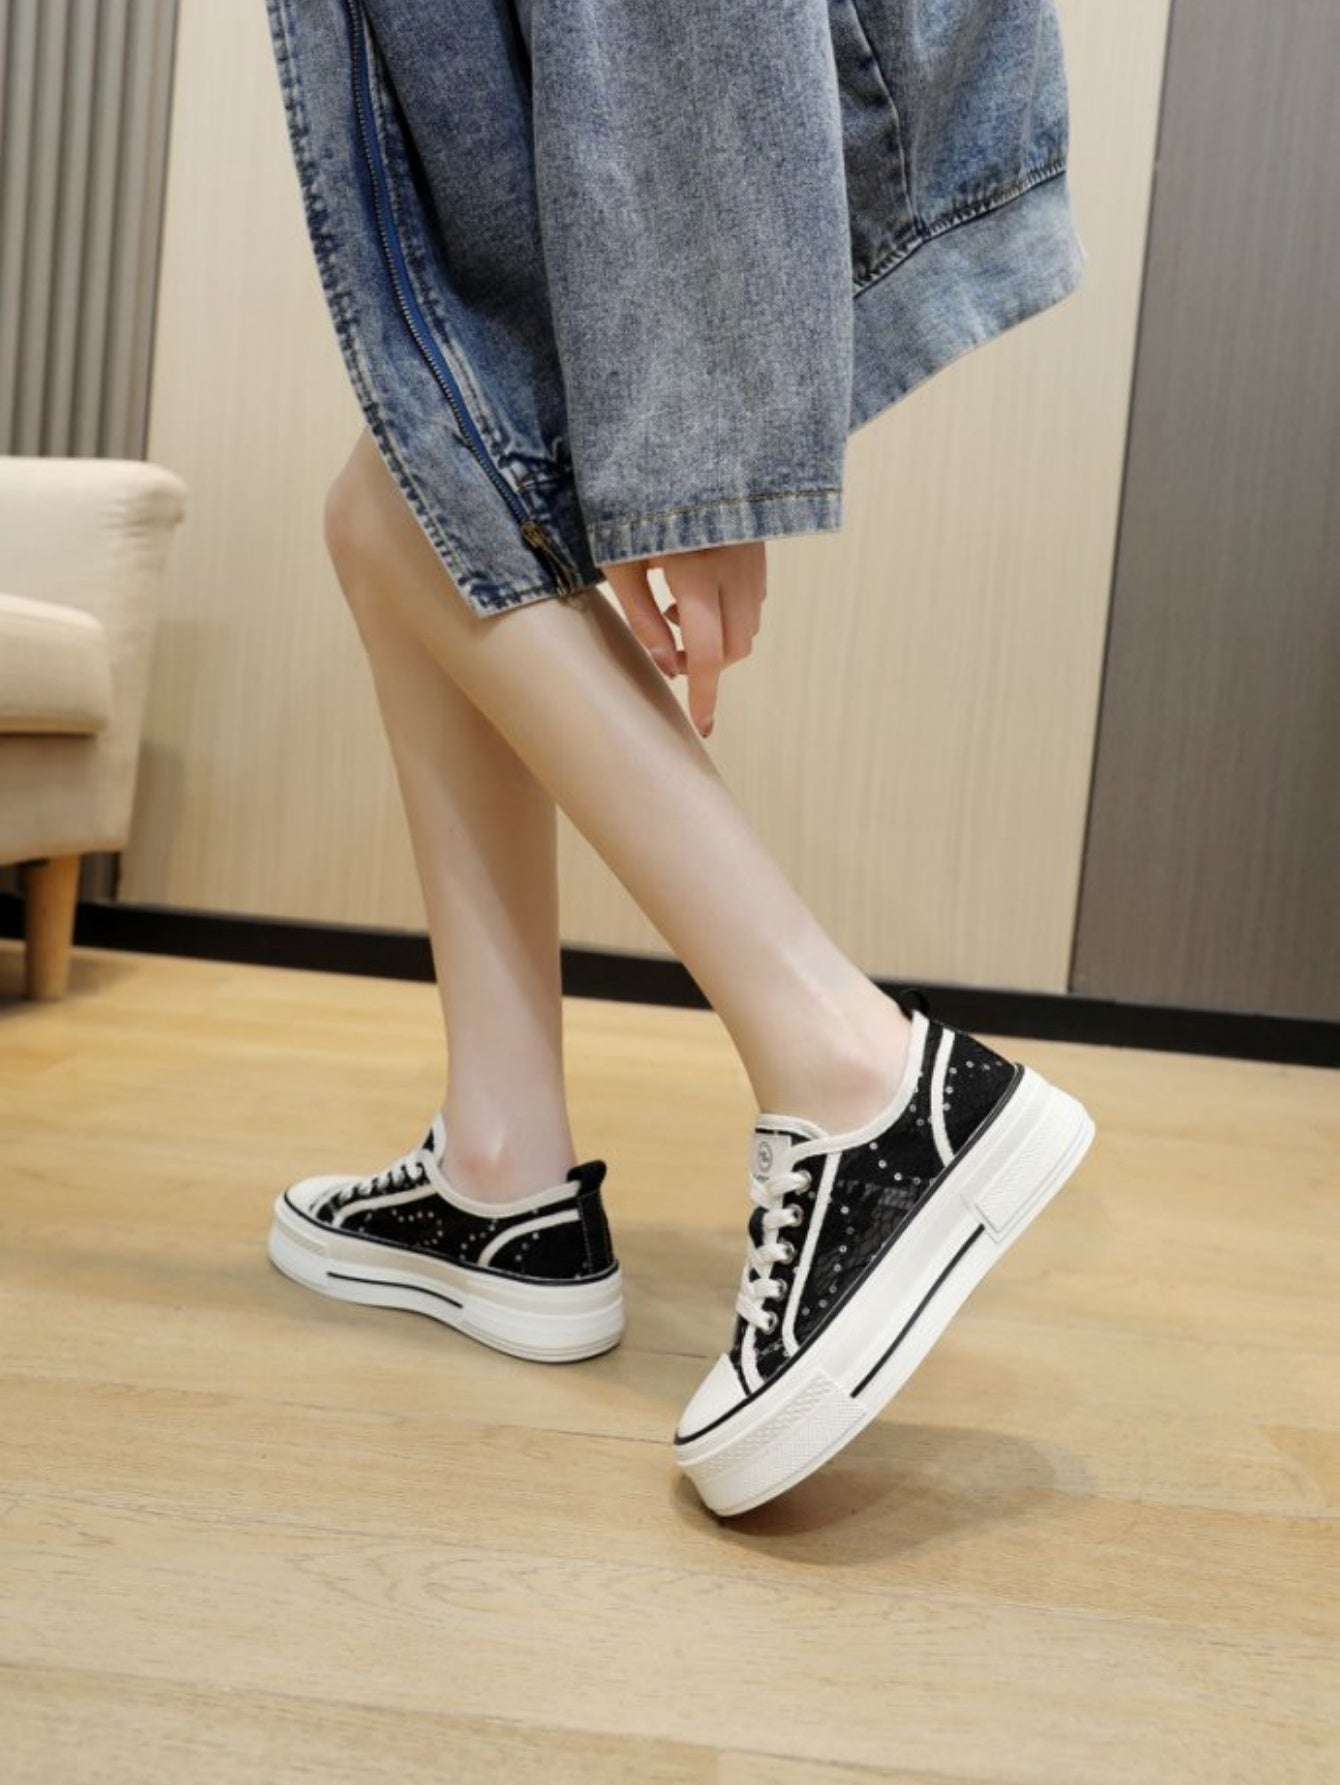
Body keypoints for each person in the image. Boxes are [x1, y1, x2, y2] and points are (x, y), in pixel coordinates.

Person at [261, 0, 1095, 1517]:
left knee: (425, 498)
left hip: (720, 119)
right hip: (627, 152)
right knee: (394, 507)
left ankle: (857, 1076)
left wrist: (705, 437)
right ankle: (504, 1175)